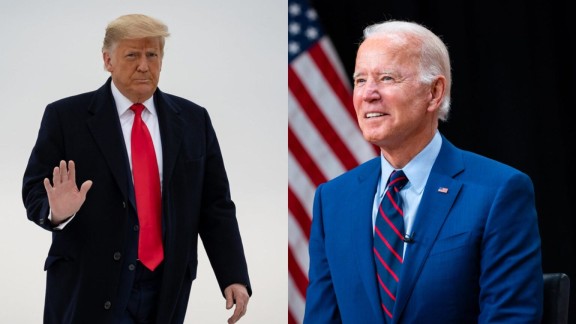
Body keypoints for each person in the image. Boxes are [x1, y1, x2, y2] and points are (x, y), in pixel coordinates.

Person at [303, 20, 543, 323]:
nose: (368, 94)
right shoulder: (332, 200)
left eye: (386, 78)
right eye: (360, 80)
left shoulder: (499, 192)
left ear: (434, 92)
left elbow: (510, 318)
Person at [22, 14, 251, 324]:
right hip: (87, 286)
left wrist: (233, 275)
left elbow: (215, 206)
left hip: (164, 286)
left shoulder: (194, 121)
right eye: (132, 55)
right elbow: (35, 189)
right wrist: (57, 212)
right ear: (108, 60)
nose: (144, 65)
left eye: (152, 55)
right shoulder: (66, 117)